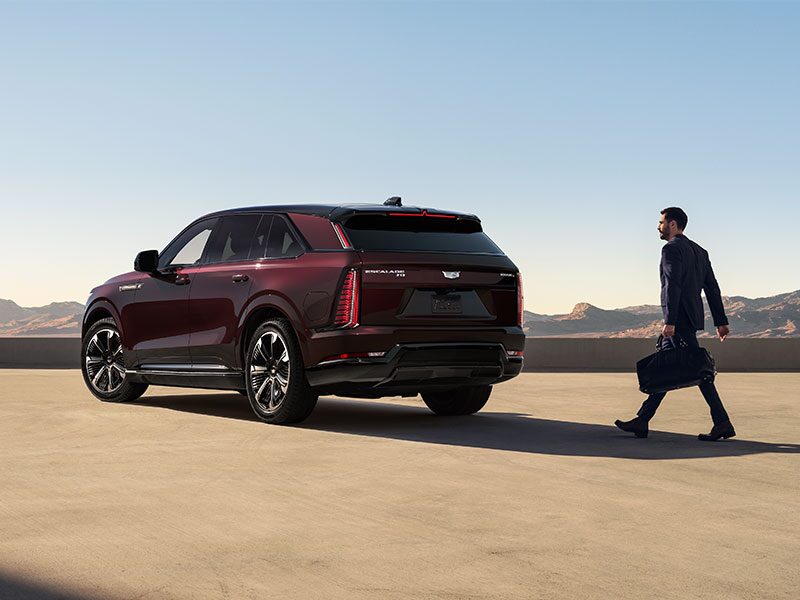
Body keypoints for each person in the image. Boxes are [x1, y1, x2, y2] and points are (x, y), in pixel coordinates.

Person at [615, 207, 736, 441]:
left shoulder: (671, 249)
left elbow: (672, 285)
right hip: (690, 318)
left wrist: (670, 321)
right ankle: (643, 420)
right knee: (668, 368)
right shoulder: (700, 251)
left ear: (672, 224)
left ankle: (722, 423)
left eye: (661, 222)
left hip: (678, 320)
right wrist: (720, 321)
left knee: (697, 371)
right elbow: (712, 287)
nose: (658, 227)